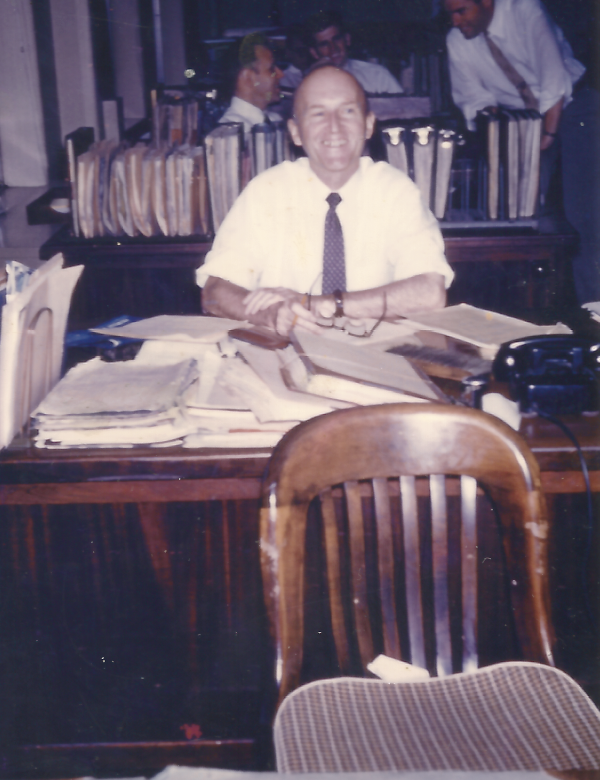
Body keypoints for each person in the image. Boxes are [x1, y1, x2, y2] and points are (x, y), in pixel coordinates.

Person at [198, 66, 453, 337]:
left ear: (368, 125)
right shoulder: (266, 191)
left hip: (374, 353)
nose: (334, 127)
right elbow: (214, 293)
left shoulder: (396, 191)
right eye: (318, 113)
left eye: (348, 111)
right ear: (295, 132)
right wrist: (271, 314)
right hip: (287, 348)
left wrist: (319, 304)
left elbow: (430, 293)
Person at [444, 0, 600, 303]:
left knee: (582, 213)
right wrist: (506, 131)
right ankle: (535, 305)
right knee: (524, 215)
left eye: (461, 11)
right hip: (523, 120)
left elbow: (554, 80)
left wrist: (546, 136)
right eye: (450, 13)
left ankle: (595, 307)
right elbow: (473, 98)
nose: (455, 21)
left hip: (574, 107)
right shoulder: (457, 41)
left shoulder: (526, 11)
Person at [306, 11, 404, 95]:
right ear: (314, 53)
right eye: (324, 44)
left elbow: (404, 107)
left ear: (347, 39)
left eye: (337, 39)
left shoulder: (377, 76)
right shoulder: (306, 84)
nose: (333, 48)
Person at [219, 33, 284, 133]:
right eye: (271, 69)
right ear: (248, 78)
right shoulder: (231, 132)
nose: (281, 74)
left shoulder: (274, 119)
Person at [279, 24, 312, 90]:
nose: (305, 56)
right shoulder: (282, 79)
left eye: (306, 51)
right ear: (289, 52)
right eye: (300, 51)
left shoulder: (317, 72)